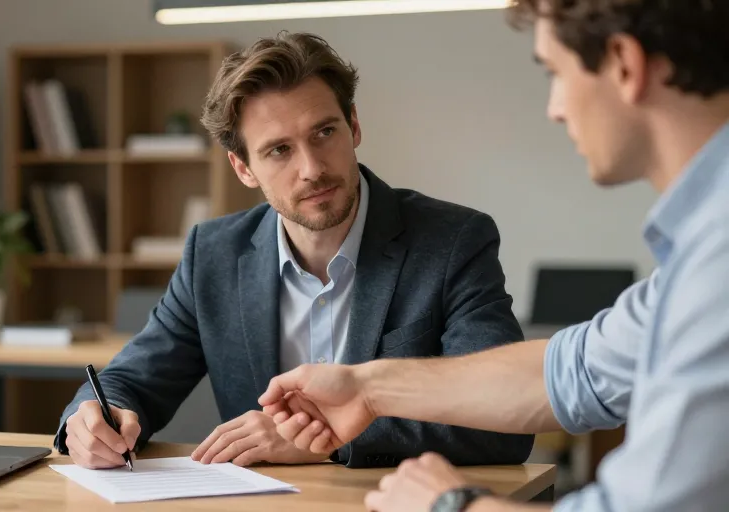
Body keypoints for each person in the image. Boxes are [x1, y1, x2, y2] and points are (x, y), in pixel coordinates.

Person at [259, 1, 729, 511]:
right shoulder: (700, 248)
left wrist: (452, 504)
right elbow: (574, 371)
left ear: (623, 63)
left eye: (555, 71)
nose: (555, 107)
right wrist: (367, 389)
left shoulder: (718, 261)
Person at [53, 31, 533, 470]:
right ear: (242, 168)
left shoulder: (453, 241)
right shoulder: (214, 254)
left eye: (325, 133)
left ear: (354, 127)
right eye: (279, 150)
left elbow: (503, 414)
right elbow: (133, 379)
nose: (311, 168)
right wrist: (91, 419)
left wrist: (328, 440)